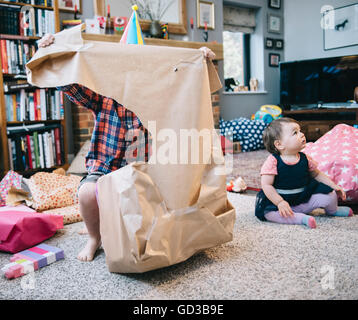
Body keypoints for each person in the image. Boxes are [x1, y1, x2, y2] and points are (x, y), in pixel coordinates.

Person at [37, 33, 216, 261]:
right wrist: (51, 50)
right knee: (86, 193)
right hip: (105, 169)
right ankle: (94, 236)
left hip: (144, 172)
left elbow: (188, 89)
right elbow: (69, 85)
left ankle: (124, 226)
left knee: (166, 199)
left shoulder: (159, 98)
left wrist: (199, 60)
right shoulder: (103, 98)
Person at [255, 117, 353, 228]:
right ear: (279, 144)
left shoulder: (305, 158)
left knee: (330, 194)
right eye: (295, 133)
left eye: (300, 131)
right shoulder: (273, 161)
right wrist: (279, 202)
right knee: (268, 214)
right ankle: (301, 218)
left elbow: (317, 174)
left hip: (303, 199)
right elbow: (266, 185)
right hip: (280, 203)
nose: (302, 134)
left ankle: (332, 210)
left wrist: (333, 185)